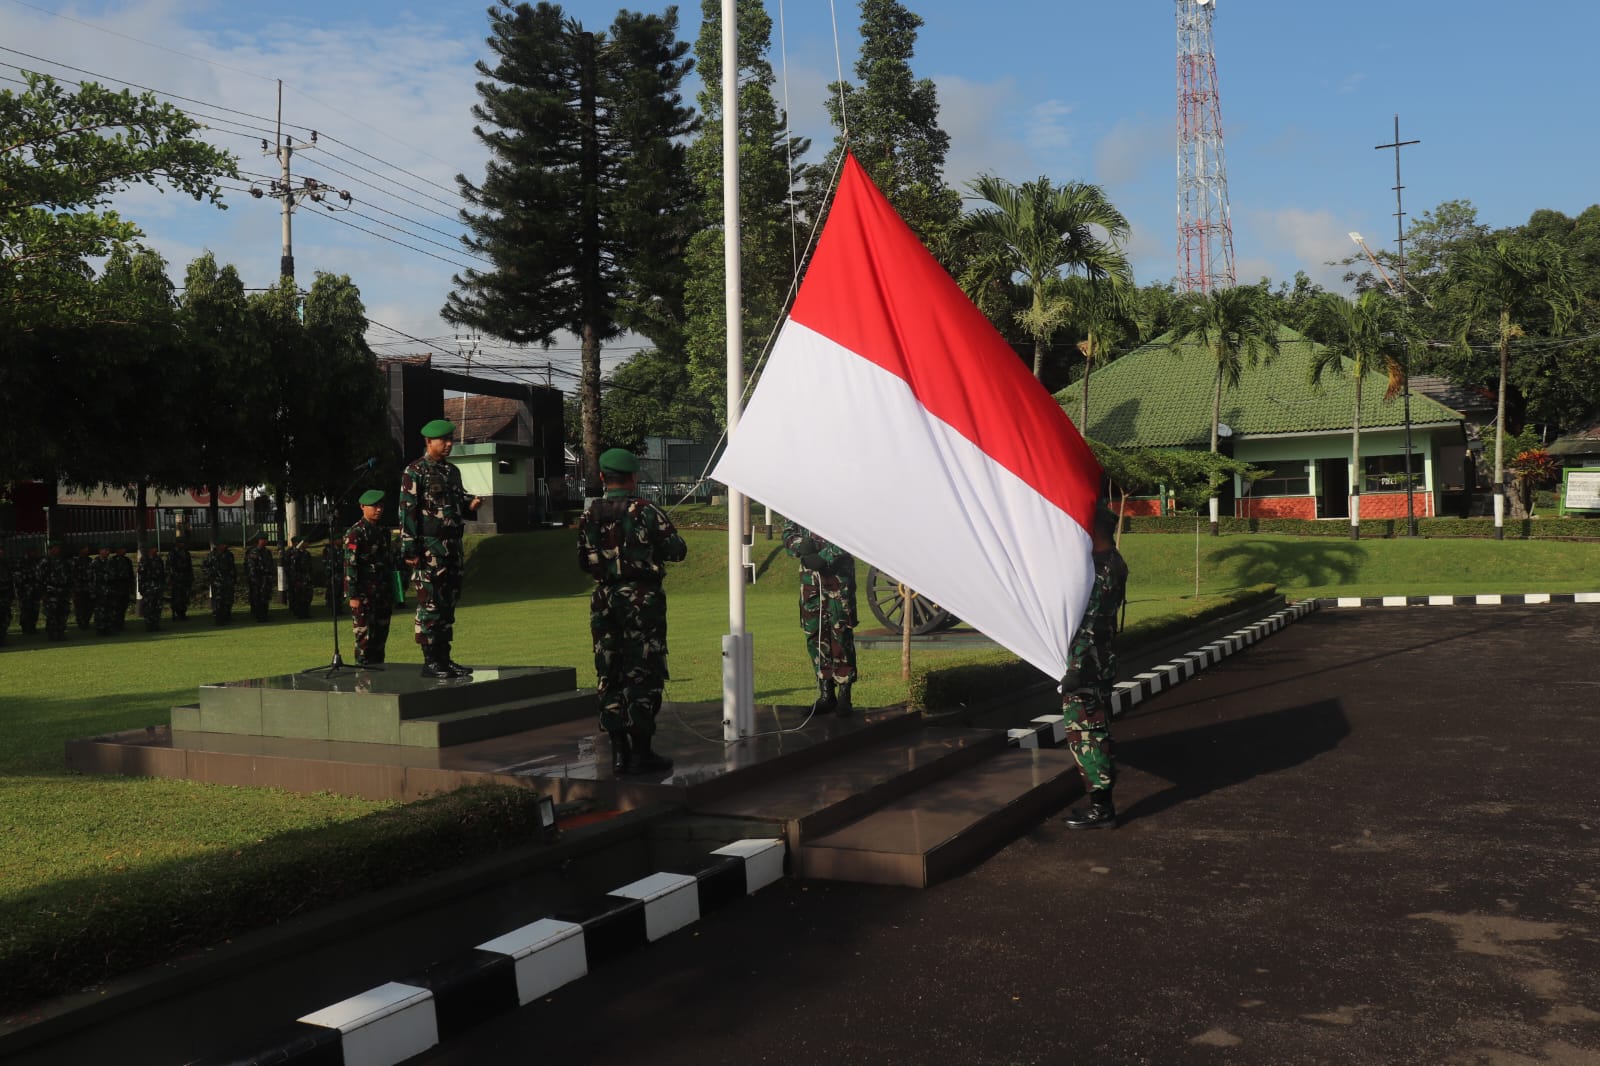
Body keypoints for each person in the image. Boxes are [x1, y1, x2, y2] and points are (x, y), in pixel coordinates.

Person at [577, 447, 687, 776]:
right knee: (643, 672)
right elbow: (677, 550)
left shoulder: (590, 515)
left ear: (602, 478)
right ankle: (641, 752)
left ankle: (619, 753)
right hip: (641, 600)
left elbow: (583, 561)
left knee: (609, 672)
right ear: (634, 477)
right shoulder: (647, 510)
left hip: (604, 600)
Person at [1060, 506, 1131, 831]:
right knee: (1095, 730)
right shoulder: (1111, 562)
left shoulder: (1101, 571)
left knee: (1087, 735)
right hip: (1100, 662)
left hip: (1087, 666)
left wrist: (1075, 669)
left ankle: (1101, 809)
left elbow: (1089, 626)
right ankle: (1101, 804)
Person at [400, 418, 481, 679]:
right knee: (430, 605)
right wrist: (410, 550)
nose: (448, 445)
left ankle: (444, 658)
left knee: (447, 605)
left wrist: (470, 505)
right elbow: (407, 512)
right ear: (428, 442)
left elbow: (456, 502)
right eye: (443, 441)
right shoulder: (414, 472)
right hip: (429, 549)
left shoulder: (451, 472)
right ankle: (430, 661)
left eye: (450, 440)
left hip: (452, 549)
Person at [781, 522, 859, 717]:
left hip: (837, 580)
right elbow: (788, 533)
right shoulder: (798, 502)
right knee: (815, 634)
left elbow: (851, 533)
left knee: (840, 635)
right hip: (811, 582)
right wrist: (803, 548)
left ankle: (844, 695)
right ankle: (826, 694)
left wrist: (823, 556)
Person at [344, 489, 396, 666]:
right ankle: (363, 681)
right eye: (374, 506)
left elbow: (388, 562)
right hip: (364, 595)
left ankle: (379, 678)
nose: (379, 509)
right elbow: (350, 565)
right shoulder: (355, 533)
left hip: (382, 593)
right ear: (362, 507)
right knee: (364, 640)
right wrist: (353, 595)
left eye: (381, 506)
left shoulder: (384, 532)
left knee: (380, 640)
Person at [39, 540, 72, 641]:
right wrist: (43, 593)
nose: (57, 549)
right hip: (51, 592)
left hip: (63, 591)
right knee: (52, 614)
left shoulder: (63, 561)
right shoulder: (45, 562)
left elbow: (68, 576)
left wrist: (69, 590)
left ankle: (61, 633)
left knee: (63, 613)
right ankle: (52, 634)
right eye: (55, 548)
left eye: (58, 548)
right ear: (50, 549)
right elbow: (40, 578)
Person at [202, 544, 236, 626]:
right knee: (218, 601)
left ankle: (227, 616)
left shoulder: (229, 555)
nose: (224, 546)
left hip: (227, 581)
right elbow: (204, 567)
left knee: (228, 600)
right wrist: (211, 575)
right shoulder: (211, 556)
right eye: (222, 545)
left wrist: (233, 578)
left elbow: (232, 568)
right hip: (216, 582)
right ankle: (218, 619)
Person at [243, 535, 275, 622]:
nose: (265, 541)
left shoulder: (267, 552)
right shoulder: (253, 552)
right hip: (257, 579)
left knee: (265, 597)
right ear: (258, 540)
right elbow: (251, 567)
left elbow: (271, 565)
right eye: (263, 539)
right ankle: (258, 615)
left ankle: (264, 614)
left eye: (266, 540)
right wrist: (254, 578)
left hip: (266, 579)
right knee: (257, 597)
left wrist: (271, 576)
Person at [137, 546, 165, 632]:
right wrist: (141, 588)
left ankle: (156, 624)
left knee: (157, 607)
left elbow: (162, 573)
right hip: (148, 587)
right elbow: (141, 575)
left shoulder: (158, 559)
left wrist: (162, 584)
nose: (155, 550)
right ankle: (149, 625)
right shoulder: (144, 560)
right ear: (149, 549)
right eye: (153, 548)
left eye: (155, 548)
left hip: (158, 586)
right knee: (149, 607)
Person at [89, 545, 116, 636]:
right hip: (99, 591)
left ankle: (109, 628)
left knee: (109, 611)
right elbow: (91, 579)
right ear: (100, 551)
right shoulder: (95, 563)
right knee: (100, 611)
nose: (107, 552)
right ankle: (100, 629)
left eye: (108, 550)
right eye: (105, 550)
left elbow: (113, 576)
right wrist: (92, 592)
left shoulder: (110, 562)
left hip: (109, 591)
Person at [284, 537, 314, 618]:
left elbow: (309, 567)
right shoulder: (291, 553)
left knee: (307, 596)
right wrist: (293, 578)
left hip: (306, 578)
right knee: (297, 597)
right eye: (305, 542)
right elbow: (289, 567)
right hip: (296, 579)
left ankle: (306, 612)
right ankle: (298, 613)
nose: (307, 544)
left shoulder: (306, 553)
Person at [16, 546, 41, 635]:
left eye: (34, 552)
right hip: (25, 592)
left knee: (35, 610)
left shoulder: (37, 562)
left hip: (35, 591)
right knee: (26, 610)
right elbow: (18, 579)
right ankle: (25, 628)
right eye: (32, 552)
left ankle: (32, 627)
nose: (33, 554)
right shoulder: (22, 563)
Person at [166, 538, 193, 621]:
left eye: (183, 543)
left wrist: (191, 577)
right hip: (176, 579)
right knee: (176, 597)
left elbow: (189, 566)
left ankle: (182, 613)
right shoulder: (172, 554)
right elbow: (169, 567)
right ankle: (176, 614)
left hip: (185, 578)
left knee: (185, 597)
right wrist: (170, 579)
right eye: (181, 543)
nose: (182, 544)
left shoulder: (186, 553)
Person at [110, 546, 134, 631]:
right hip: (116, 588)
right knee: (116, 607)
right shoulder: (112, 561)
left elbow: (131, 575)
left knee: (123, 607)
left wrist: (131, 586)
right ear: (118, 550)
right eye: (122, 549)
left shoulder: (127, 561)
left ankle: (121, 624)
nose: (124, 550)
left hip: (125, 587)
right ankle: (114, 625)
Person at [70, 545, 94, 630]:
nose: (87, 550)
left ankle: (86, 622)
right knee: (80, 607)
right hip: (78, 588)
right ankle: (81, 623)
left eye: (87, 549)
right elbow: (72, 575)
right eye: (85, 548)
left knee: (89, 607)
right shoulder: (75, 561)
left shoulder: (90, 560)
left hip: (88, 587)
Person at [322, 540, 345, 616]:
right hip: (334, 575)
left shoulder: (342, 551)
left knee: (340, 593)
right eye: (339, 539)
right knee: (334, 593)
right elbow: (329, 564)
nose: (341, 541)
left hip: (341, 574)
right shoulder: (331, 551)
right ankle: (334, 610)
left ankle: (339, 609)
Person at [0, 544, 12, 642]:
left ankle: (3, 637)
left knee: (6, 617)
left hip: (5, 595)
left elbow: (10, 580)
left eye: (1, 550)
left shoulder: (5, 564)